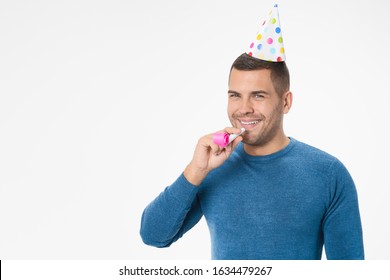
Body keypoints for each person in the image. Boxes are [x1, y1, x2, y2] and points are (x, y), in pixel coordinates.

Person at [140, 5, 364, 260]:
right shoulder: (212, 168)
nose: (244, 109)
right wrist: (196, 170)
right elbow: (153, 236)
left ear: (286, 102)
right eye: (235, 96)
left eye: (258, 96)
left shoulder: (329, 174)